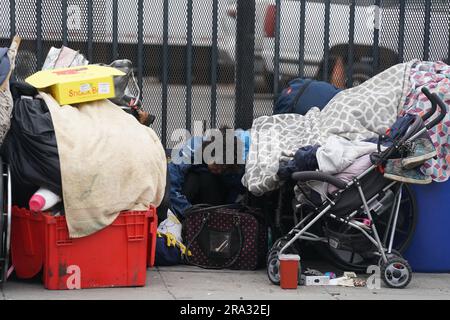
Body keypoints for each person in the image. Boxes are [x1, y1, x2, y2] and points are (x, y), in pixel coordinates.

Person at [158, 127, 250, 220]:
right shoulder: (192, 150)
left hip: (218, 202)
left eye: (223, 167)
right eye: (217, 165)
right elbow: (171, 185)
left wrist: (227, 214)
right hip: (189, 202)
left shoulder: (238, 160)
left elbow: (238, 191)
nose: (219, 170)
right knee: (197, 177)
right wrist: (188, 211)